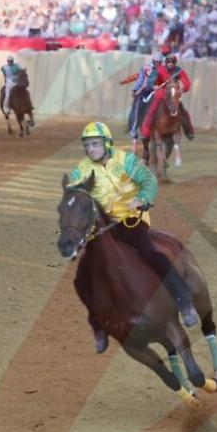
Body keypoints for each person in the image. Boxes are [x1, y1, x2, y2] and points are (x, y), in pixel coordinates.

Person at [68, 122, 199, 354]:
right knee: (82, 278)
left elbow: (148, 181)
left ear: (106, 143)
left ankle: (184, 301)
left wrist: (142, 198)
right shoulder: (81, 170)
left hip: (130, 220)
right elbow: (74, 197)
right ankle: (98, 326)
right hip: (100, 229)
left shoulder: (125, 160)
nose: (92, 149)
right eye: (88, 145)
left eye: (96, 144)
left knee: (150, 254)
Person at [138, 53, 194, 142]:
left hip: (174, 93)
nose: (170, 64)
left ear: (175, 63)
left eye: (172, 62)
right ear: (166, 62)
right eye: (168, 62)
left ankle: (189, 131)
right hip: (161, 92)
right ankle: (145, 131)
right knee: (152, 110)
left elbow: (186, 82)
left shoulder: (179, 71)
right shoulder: (160, 70)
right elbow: (151, 79)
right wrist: (153, 86)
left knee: (183, 111)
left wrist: (183, 89)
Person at [120, 56, 157, 148]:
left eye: (149, 65)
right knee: (136, 111)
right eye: (146, 65)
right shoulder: (143, 72)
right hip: (144, 93)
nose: (147, 67)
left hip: (152, 92)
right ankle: (134, 127)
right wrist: (135, 90)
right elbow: (140, 80)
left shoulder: (157, 72)